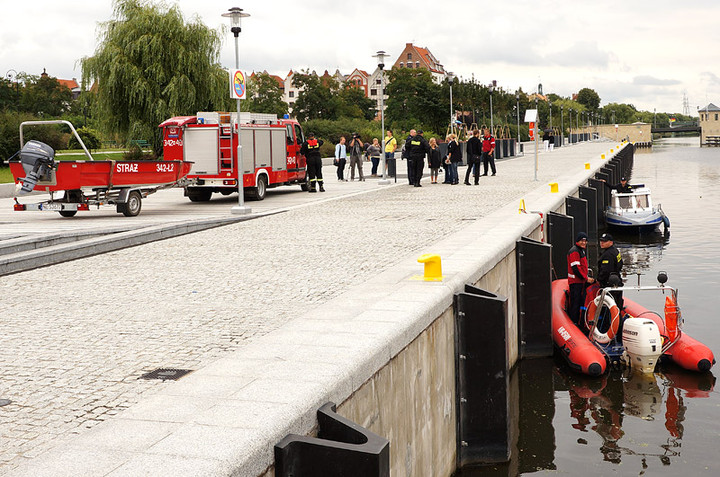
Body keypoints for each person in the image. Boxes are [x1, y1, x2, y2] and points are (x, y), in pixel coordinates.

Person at [567, 232, 594, 327]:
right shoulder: (575, 251)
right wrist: (586, 278)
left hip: (580, 281)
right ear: (577, 241)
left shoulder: (581, 250)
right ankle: (573, 322)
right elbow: (576, 268)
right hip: (575, 282)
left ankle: (578, 321)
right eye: (582, 240)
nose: (584, 242)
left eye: (585, 241)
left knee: (579, 301)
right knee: (575, 302)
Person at [598, 233, 624, 309]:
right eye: (601, 241)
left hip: (609, 284)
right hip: (617, 281)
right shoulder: (615, 251)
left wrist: (598, 279)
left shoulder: (607, 255)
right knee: (618, 304)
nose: (601, 243)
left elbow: (605, 271)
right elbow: (620, 264)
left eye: (604, 241)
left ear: (611, 242)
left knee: (608, 307)